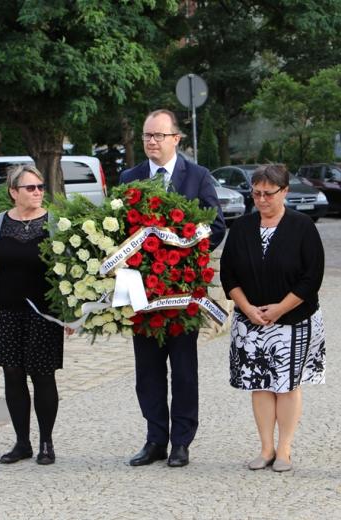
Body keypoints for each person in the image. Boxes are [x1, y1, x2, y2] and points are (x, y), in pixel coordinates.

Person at [119, 109, 225, 467]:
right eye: (147, 135)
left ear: (176, 139)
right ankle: (154, 439)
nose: (151, 141)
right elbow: (118, 232)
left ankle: (181, 442)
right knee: (146, 371)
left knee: (182, 370)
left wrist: (186, 257)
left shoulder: (196, 176)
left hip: (181, 293)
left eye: (158, 136)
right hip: (143, 295)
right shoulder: (129, 177)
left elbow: (217, 226)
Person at [219, 164, 326, 472]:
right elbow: (228, 275)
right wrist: (248, 308)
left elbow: (311, 277)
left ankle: (285, 449)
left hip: (294, 320)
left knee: (287, 385)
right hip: (250, 320)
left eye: (268, 193)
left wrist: (280, 308)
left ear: (285, 192)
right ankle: (266, 448)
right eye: (256, 193)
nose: (262, 200)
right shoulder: (241, 228)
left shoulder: (303, 226)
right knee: (260, 383)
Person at [0, 164, 64, 465]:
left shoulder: (55, 222)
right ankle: (22, 442)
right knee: (12, 375)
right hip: (6, 309)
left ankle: (46, 443)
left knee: (43, 375)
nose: (38, 192)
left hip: (44, 312)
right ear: (13, 192)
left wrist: (69, 313)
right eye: (30, 188)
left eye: (40, 187)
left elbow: (69, 271)